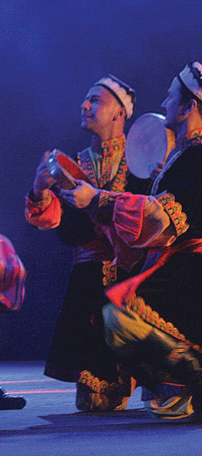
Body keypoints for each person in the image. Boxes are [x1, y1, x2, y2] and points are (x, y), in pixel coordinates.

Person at [60, 62, 202, 421]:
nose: (165, 102)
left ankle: (192, 383)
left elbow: (162, 217)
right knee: (115, 316)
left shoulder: (197, 156)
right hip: (174, 266)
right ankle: (181, 389)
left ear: (190, 107)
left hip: (188, 270)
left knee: (121, 314)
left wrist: (99, 200)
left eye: (172, 97)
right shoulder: (185, 155)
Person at [26, 74, 149, 412]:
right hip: (87, 282)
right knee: (92, 403)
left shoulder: (143, 159)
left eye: (95, 100)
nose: (84, 105)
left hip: (134, 281)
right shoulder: (72, 165)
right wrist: (39, 190)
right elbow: (50, 220)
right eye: (85, 99)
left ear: (119, 113)